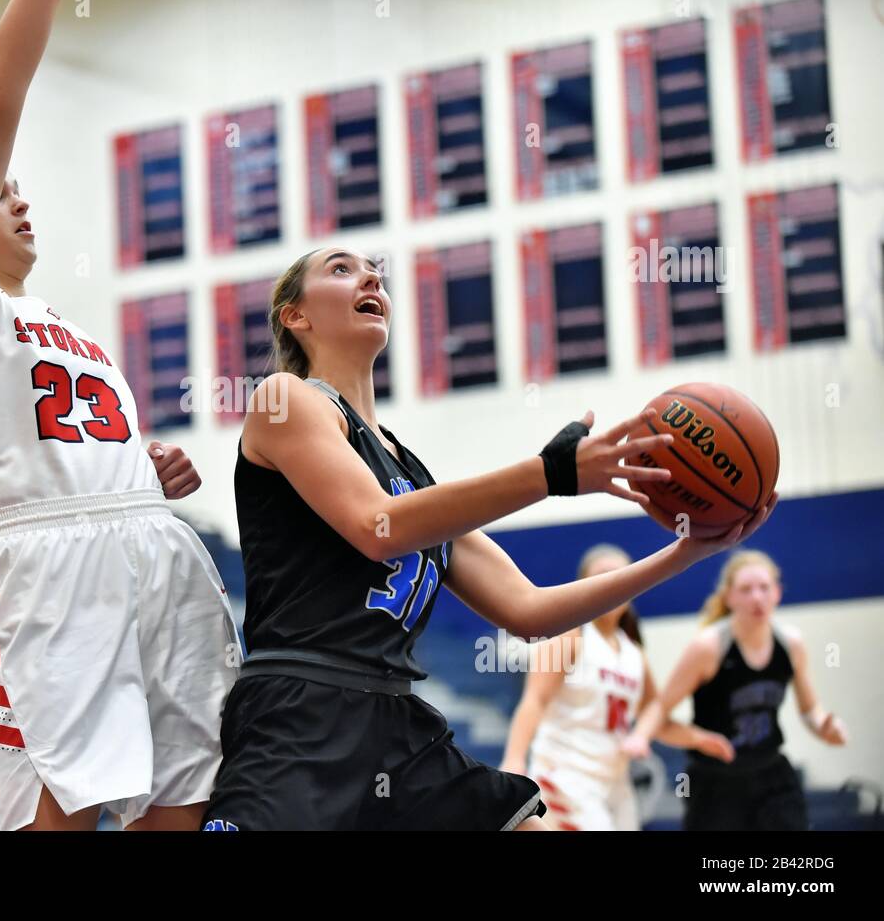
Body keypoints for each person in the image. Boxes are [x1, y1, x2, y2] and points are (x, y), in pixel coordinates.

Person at [200, 247, 778, 831]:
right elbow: (379, 527)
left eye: (373, 270)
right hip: (302, 718)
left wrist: (691, 550)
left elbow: (530, 611)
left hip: (397, 727)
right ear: (295, 316)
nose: (372, 275)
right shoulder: (285, 401)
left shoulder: (413, 475)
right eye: (341, 269)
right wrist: (551, 475)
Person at [0, 0, 237, 831]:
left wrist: (143, 473)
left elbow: (67, 441)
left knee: (187, 810)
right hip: (43, 575)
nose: (20, 197)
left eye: (17, 187)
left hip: (155, 553)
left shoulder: (70, 327)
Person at [500, 544, 734, 830]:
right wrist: (514, 759)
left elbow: (656, 719)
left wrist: (698, 738)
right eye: (603, 575)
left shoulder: (633, 652)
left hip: (613, 782)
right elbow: (534, 700)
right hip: (565, 775)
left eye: (621, 575)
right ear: (584, 585)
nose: (613, 583)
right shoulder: (569, 635)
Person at [627, 550, 848, 831]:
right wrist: (640, 736)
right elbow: (660, 706)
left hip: (771, 772)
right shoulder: (709, 647)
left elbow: (809, 709)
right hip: (716, 780)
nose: (757, 597)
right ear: (729, 597)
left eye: (764, 588)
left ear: (777, 593)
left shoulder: (791, 643)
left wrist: (824, 726)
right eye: (746, 589)